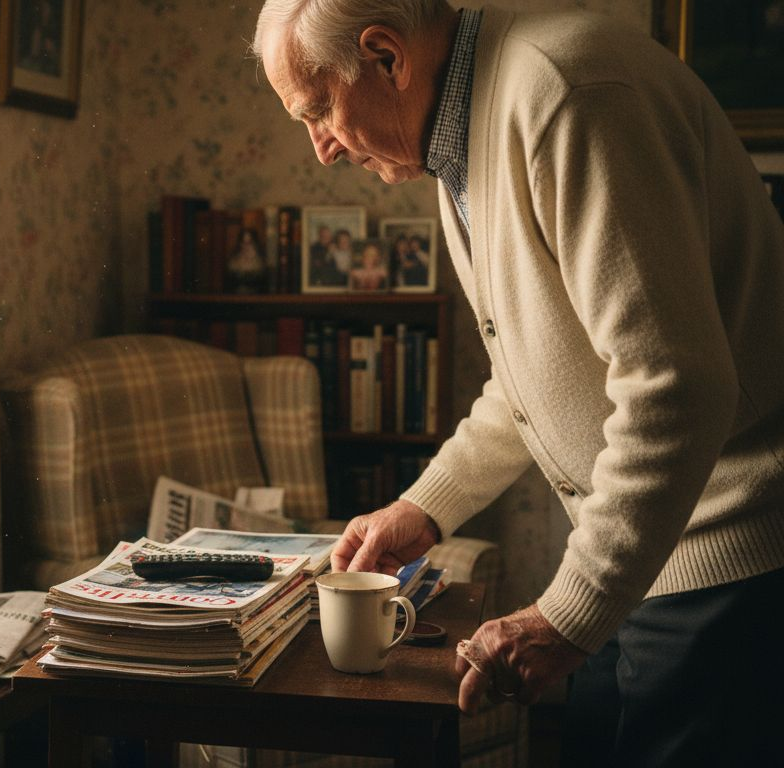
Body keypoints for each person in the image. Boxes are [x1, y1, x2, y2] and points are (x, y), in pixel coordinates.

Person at [253, 1, 784, 764]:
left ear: (386, 58)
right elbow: (531, 377)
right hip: (644, 557)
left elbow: (678, 384)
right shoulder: (457, 134)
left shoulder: (566, 95)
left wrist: (565, 615)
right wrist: (424, 509)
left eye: (318, 112)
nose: (322, 151)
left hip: (731, 568)